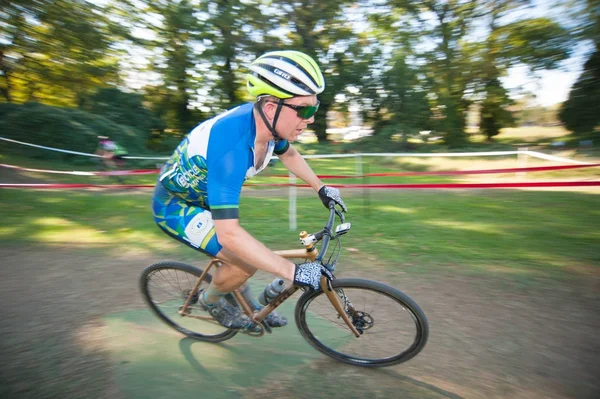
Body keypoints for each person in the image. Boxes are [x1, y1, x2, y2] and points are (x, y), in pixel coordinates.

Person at [152, 50, 347, 331]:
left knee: (246, 258)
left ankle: (251, 304)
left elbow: (289, 155)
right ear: (270, 107)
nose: (311, 119)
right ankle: (211, 299)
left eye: (314, 109)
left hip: (207, 199)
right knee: (244, 265)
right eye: (304, 110)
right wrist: (293, 272)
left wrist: (321, 188)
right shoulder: (232, 147)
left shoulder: (268, 127)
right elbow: (228, 233)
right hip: (175, 206)